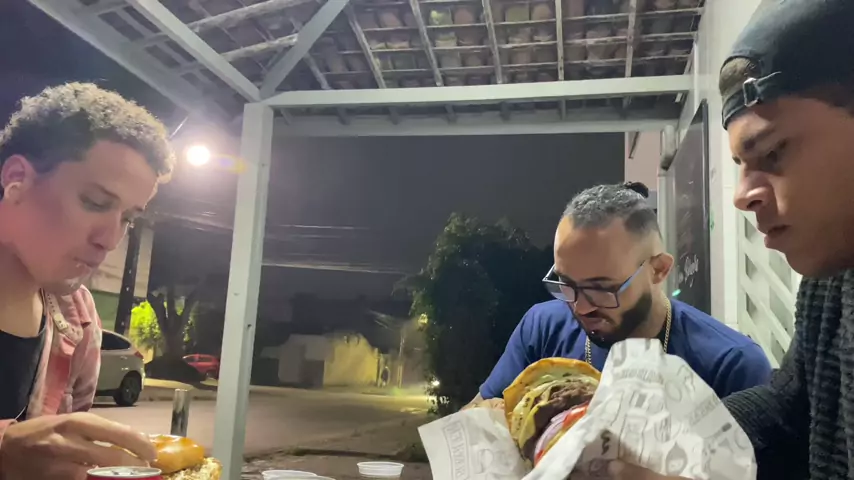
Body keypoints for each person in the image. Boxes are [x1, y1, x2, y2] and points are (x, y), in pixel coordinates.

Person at [597, 1, 854, 479]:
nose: (740, 196)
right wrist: (662, 450)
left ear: (657, 268)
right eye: (740, 165)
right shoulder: (830, 283)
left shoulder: (727, 353)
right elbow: (790, 410)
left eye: (773, 152)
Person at [468, 182, 770, 410]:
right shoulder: (543, 328)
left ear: (659, 270)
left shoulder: (731, 366)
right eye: (566, 283)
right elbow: (478, 418)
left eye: (601, 288)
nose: (581, 307)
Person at [0, 83, 173, 478]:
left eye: (128, 218)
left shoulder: (78, 318)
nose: (110, 240)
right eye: (95, 202)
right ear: (16, 179)